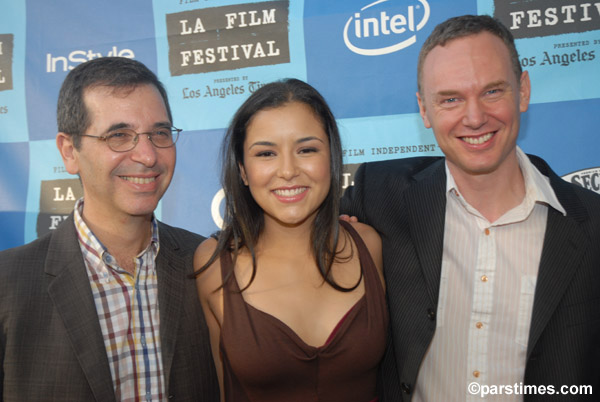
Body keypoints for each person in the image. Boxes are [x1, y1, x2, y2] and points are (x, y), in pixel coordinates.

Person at [342, 14, 600, 402]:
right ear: (424, 110)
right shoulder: (379, 193)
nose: (475, 117)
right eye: (450, 99)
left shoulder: (592, 223)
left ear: (523, 90)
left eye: (493, 91)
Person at [0, 57, 219, 401]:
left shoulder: (207, 264)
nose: (147, 155)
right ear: (70, 151)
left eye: (159, 133)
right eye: (119, 135)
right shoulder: (7, 283)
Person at [193, 78, 388, 402]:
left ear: (331, 157)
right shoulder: (213, 264)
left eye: (306, 150)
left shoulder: (369, 244)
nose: (287, 170)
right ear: (243, 170)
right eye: (266, 153)